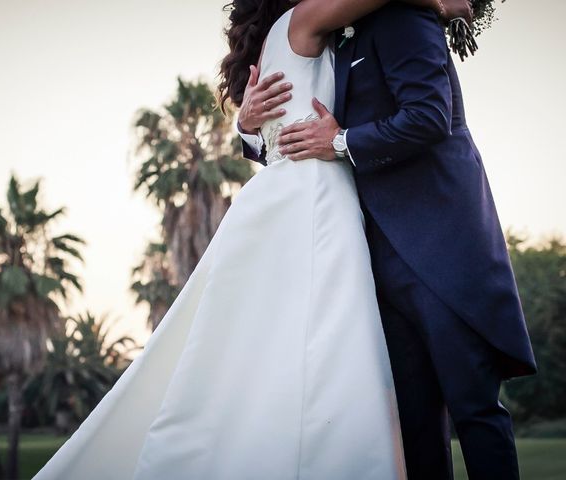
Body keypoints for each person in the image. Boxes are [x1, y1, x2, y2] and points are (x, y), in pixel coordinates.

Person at [32, 1, 470, 479]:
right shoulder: (305, 17)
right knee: (329, 337)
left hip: (288, 194)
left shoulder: (290, 32)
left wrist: (246, 124)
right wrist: (443, 4)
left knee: (278, 344)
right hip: (315, 196)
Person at [238, 1, 538, 479]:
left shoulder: (407, 18)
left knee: (475, 410)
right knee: (415, 426)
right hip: (371, 257)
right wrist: (248, 127)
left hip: (439, 247)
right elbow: (295, 136)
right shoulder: (331, 36)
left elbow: (429, 115)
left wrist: (341, 142)